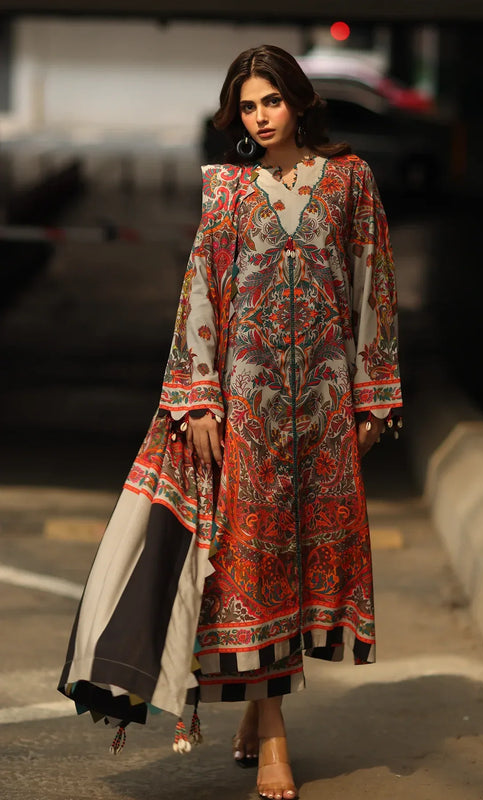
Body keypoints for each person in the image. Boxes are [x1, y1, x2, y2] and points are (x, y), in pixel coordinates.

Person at [58, 44, 402, 800]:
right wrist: (198, 399)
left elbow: (372, 281)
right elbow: (199, 299)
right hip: (246, 415)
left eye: (270, 101)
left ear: (298, 102)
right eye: (247, 106)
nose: (259, 117)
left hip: (319, 410)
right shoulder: (225, 190)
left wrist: (374, 394)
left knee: (303, 564)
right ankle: (274, 735)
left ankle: (257, 710)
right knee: (251, 568)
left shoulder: (348, 179)